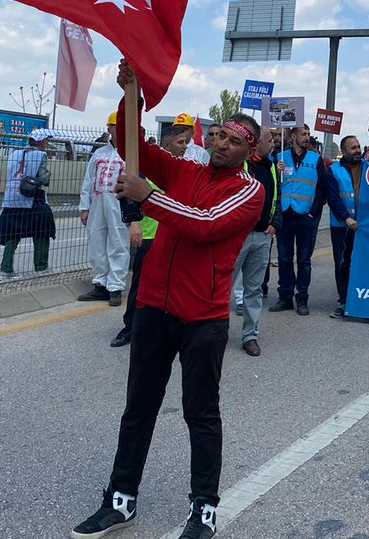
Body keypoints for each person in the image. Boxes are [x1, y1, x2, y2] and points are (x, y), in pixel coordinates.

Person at [71, 62, 264, 539]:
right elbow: (130, 144)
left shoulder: (250, 190)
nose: (221, 144)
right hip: (154, 309)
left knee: (201, 414)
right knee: (139, 407)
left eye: (234, 141)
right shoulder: (184, 170)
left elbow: (203, 224)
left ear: (249, 151)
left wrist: (149, 198)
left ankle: (204, 511)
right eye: (218, 135)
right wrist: (130, 96)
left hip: (203, 318)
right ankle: (120, 500)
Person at [110, 124, 193, 348]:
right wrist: (134, 223)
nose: (185, 147)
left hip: (175, 237)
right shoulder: (148, 168)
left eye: (186, 143)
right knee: (140, 285)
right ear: (167, 144)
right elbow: (126, 193)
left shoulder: (184, 170)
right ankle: (130, 327)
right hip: (149, 235)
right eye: (181, 142)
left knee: (172, 286)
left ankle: (165, 328)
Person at [231, 126, 280, 355]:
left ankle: (250, 336)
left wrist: (275, 222)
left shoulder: (271, 166)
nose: (273, 144)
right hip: (237, 236)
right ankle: (212, 331)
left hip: (262, 237)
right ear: (258, 142)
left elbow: (277, 195)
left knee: (254, 290)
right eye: (270, 140)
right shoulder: (241, 165)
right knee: (223, 286)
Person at [269, 124, 327, 315]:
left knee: (304, 260)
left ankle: (302, 298)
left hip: (305, 215)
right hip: (285, 214)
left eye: (308, 134)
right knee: (284, 259)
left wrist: (314, 211)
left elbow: (321, 188)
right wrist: (276, 171)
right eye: (303, 134)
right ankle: (285, 296)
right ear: (292, 137)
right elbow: (272, 185)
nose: (307, 137)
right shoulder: (279, 157)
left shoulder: (316, 159)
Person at [78, 111, 129, 306]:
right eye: (115, 126)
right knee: (97, 241)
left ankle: (115, 286)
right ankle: (100, 283)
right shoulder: (99, 154)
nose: (117, 130)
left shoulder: (129, 153)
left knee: (118, 242)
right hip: (98, 203)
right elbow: (88, 180)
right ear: (109, 128)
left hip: (118, 203)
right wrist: (85, 207)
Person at [0, 129, 55, 277]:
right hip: (32, 198)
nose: (47, 144)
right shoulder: (40, 155)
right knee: (42, 229)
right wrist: (48, 175)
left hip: (11, 198)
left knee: (12, 232)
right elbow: (43, 179)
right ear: (41, 141)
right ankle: (41, 267)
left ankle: (6, 268)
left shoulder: (14, 153)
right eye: (46, 141)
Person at [324, 134, 367, 319]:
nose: (357, 150)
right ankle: (344, 301)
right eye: (353, 148)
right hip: (342, 226)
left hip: (365, 226)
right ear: (343, 151)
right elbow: (333, 198)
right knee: (343, 264)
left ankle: (363, 301)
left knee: (364, 263)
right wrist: (346, 219)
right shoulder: (333, 170)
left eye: (358, 147)